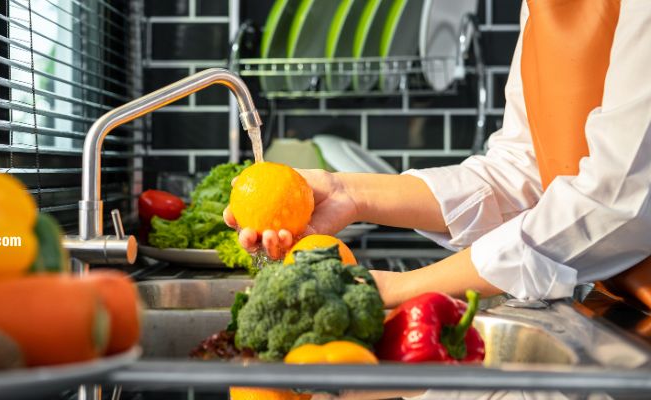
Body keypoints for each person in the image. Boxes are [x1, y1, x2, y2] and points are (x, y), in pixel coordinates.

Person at [225, 0, 651, 311]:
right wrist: (347, 193)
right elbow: (524, 174)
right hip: (621, 305)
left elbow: (617, 201)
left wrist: (403, 288)